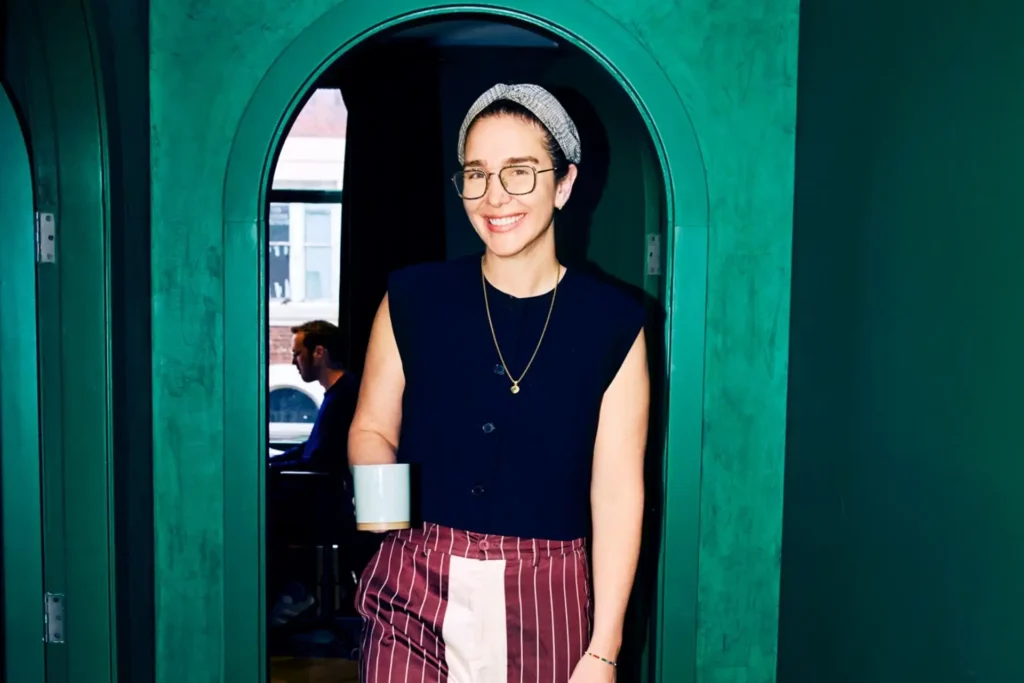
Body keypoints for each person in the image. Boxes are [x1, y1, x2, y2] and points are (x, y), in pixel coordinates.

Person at [348, 83, 649, 683]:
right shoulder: (411, 298)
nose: (493, 196)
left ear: (563, 184)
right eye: (476, 174)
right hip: (415, 580)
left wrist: (604, 649)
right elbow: (373, 426)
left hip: (548, 588)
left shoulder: (615, 322)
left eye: (519, 172)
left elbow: (617, 492)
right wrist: (385, 513)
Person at [268, 320, 360, 627]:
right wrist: (272, 463)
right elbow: (312, 449)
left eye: (298, 354)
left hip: (329, 503)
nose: (294, 362)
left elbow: (319, 458)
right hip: (327, 495)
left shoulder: (343, 396)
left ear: (318, 352)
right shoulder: (339, 393)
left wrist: (271, 469)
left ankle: (292, 592)